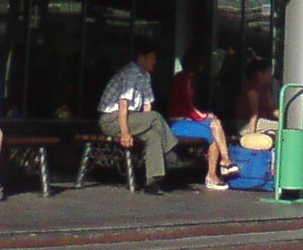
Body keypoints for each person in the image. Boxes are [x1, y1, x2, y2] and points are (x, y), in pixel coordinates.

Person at [96, 39, 181, 193]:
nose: (155, 61)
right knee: (155, 117)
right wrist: (125, 133)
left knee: (153, 134)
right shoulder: (130, 73)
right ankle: (171, 152)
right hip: (112, 119)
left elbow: (147, 106)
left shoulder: (146, 76)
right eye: (152, 58)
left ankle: (152, 181)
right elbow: (123, 105)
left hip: (132, 118)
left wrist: (144, 125)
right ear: (141, 58)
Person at [165, 46, 235, 189]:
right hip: (178, 122)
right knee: (214, 128)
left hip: (185, 120)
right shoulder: (184, 79)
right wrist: (203, 116)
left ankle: (223, 164)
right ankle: (219, 168)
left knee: (215, 126)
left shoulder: (185, 78)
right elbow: (187, 106)